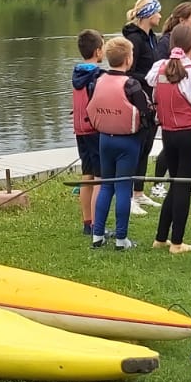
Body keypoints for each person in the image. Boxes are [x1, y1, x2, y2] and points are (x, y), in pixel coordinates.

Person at [148, 23, 191, 252]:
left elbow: (152, 84)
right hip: (190, 135)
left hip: (168, 134)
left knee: (175, 184)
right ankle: (177, 242)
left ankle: (161, 237)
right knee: (183, 186)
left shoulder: (159, 68)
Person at [87, 35, 155, 250]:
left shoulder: (97, 80)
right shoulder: (132, 84)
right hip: (128, 142)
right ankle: (121, 239)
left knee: (106, 185)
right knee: (123, 188)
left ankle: (97, 235)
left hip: (105, 139)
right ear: (128, 59)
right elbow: (147, 113)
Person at [149, 3, 191, 195]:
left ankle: (175, 188)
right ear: (182, 20)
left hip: (178, 119)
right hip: (178, 120)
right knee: (174, 160)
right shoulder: (166, 45)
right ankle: (159, 184)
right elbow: (158, 75)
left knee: (179, 185)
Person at [121, 0, 163, 215]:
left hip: (152, 99)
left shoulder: (152, 38)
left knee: (147, 146)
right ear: (148, 14)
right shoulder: (134, 40)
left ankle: (139, 192)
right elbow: (129, 72)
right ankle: (127, 196)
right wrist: (149, 78)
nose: (160, 16)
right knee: (135, 147)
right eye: (157, 12)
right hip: (138, 99)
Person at [70, 29, 105, 235]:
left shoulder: (77, 73)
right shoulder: (97, 75)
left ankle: (87, 222)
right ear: (98, 51)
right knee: (100, 177)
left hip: (79, 129)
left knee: (87, 175)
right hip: (94, 129)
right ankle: (96, 226)